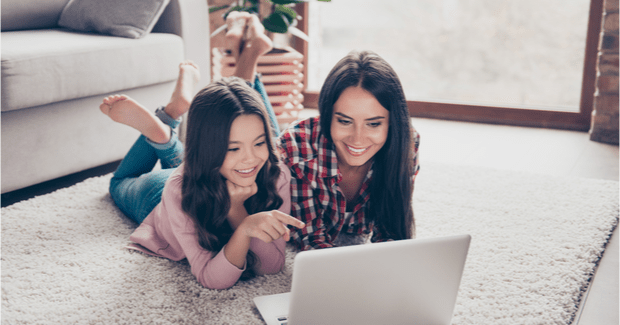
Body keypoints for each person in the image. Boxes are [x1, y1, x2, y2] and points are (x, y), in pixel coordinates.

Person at [99, 12, 304, 290]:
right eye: (233, 148)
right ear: (208, 150)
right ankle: (165, 125)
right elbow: (210, 278)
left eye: (260, 143)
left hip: (204, 167)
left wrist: (238, 212)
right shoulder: (177, 190)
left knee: (237, 121)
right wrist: (241, 222)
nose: (251, 157)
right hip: (160, 197)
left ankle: (166, 130)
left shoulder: (276, 173)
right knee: (118, 183)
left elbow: (272, 266)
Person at [278, 50, 420, 250]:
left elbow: (392, 233)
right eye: (344, 121)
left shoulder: (406, 143)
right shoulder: (296, 146)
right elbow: (310, 237)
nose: (357, 138)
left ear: (392, 123)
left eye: (373, 124)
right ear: (327, 115)